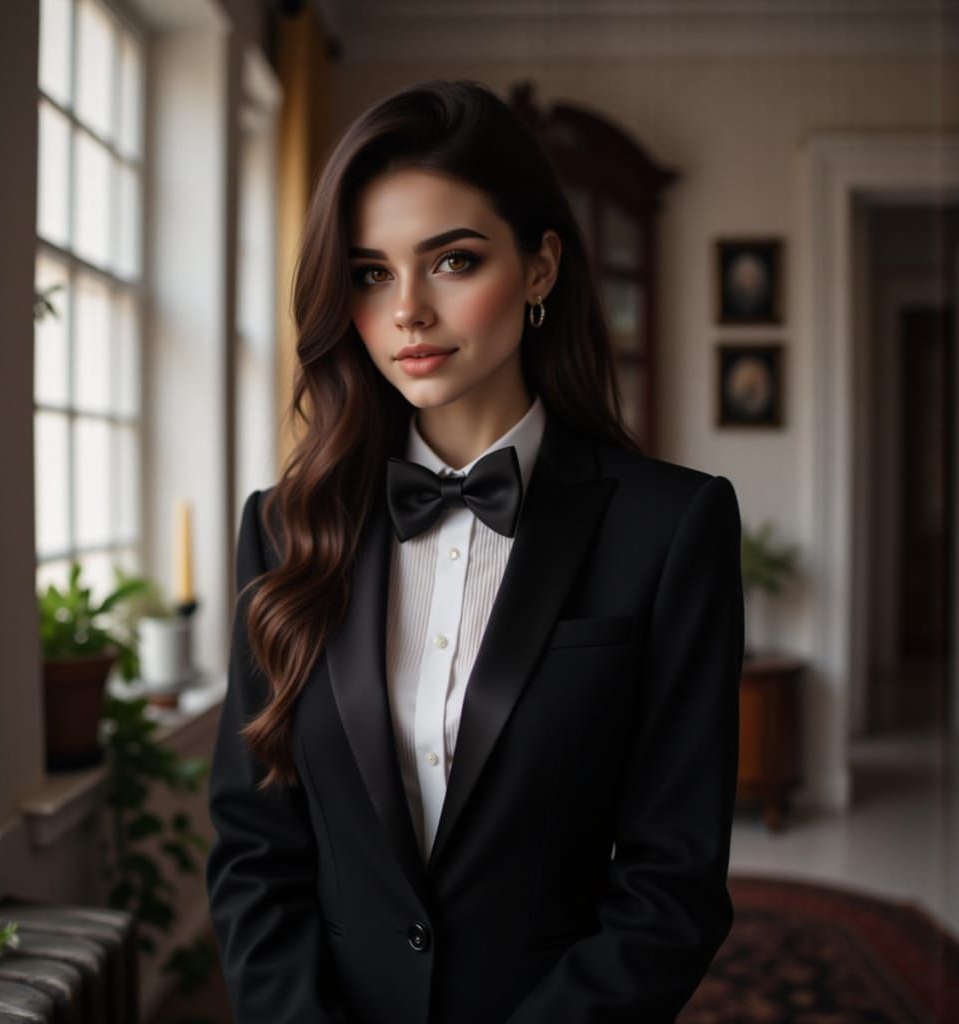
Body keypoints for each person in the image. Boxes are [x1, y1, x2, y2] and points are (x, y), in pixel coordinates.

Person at [206, 78, 744, 1024]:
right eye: (371, 273)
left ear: (540, 268)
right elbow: (255, 846)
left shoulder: (673, 527)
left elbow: (673, 884)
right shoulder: (282, 529)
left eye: (452, 261)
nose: (408, 311)